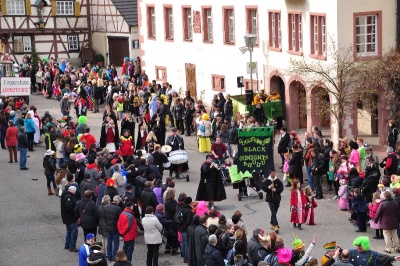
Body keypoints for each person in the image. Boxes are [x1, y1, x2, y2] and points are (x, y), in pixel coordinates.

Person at [262, 169, 284, 234]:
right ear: (270, 174)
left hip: (277, 199)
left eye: (274, 173)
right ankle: (276, 225)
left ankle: (272, 223)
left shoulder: (278, 181)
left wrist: (275, 190)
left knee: (275, 212)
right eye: (272, 173)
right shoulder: (267, 181)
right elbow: (264, 188)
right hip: (270, 199)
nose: (274, 174)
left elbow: (281, 188)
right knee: (273, 212)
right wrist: (269, 187)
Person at [104, 195, 123, 262]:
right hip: (115, 228)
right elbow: (120, 219)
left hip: (108, 227)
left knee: (109, 242)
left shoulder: (106, 207)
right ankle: (115, 257)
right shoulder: (118, 209)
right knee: (116, 243)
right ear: (117, 201)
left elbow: (104, 217)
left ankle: (109, 257)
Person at [61, 186, 79, 252]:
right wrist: (75, 212)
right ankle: (72, 246)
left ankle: (67, 244)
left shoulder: (64, 195)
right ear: (72, 190)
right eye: (75, 190)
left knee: (69, 231)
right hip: (70, 218)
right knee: (74, 232)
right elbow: (69, 207)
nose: (76, 191)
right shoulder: (69, 197)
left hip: (66, 217)